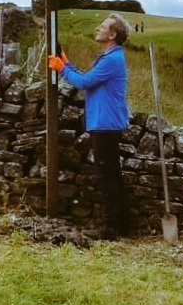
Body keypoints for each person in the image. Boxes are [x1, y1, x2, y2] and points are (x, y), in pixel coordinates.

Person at [48, 13, 131, 239]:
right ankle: (122, 224)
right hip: (105, 123)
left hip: (105, 124)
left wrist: (61, 69)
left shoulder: (112, 60)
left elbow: (85, 83)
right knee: (111, 173)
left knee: (107, 176)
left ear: (113, 35)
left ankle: (113, 227)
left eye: (102, 26)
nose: (97, 28)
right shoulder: (111, 57)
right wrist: (67, 64)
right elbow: (89, 79)